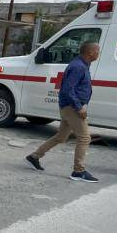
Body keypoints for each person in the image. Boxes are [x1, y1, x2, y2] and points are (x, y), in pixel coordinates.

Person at [25, 41, 101, 182]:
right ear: (90, 52)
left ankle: (34, 156)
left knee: (61, 136)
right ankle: (78, 171)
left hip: (68, 106)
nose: (99, 53)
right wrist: (79, 107)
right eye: (97, 50)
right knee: (84, 138)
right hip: (72, 108)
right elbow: (67, 89)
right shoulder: (78, 67)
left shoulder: (82, 64)